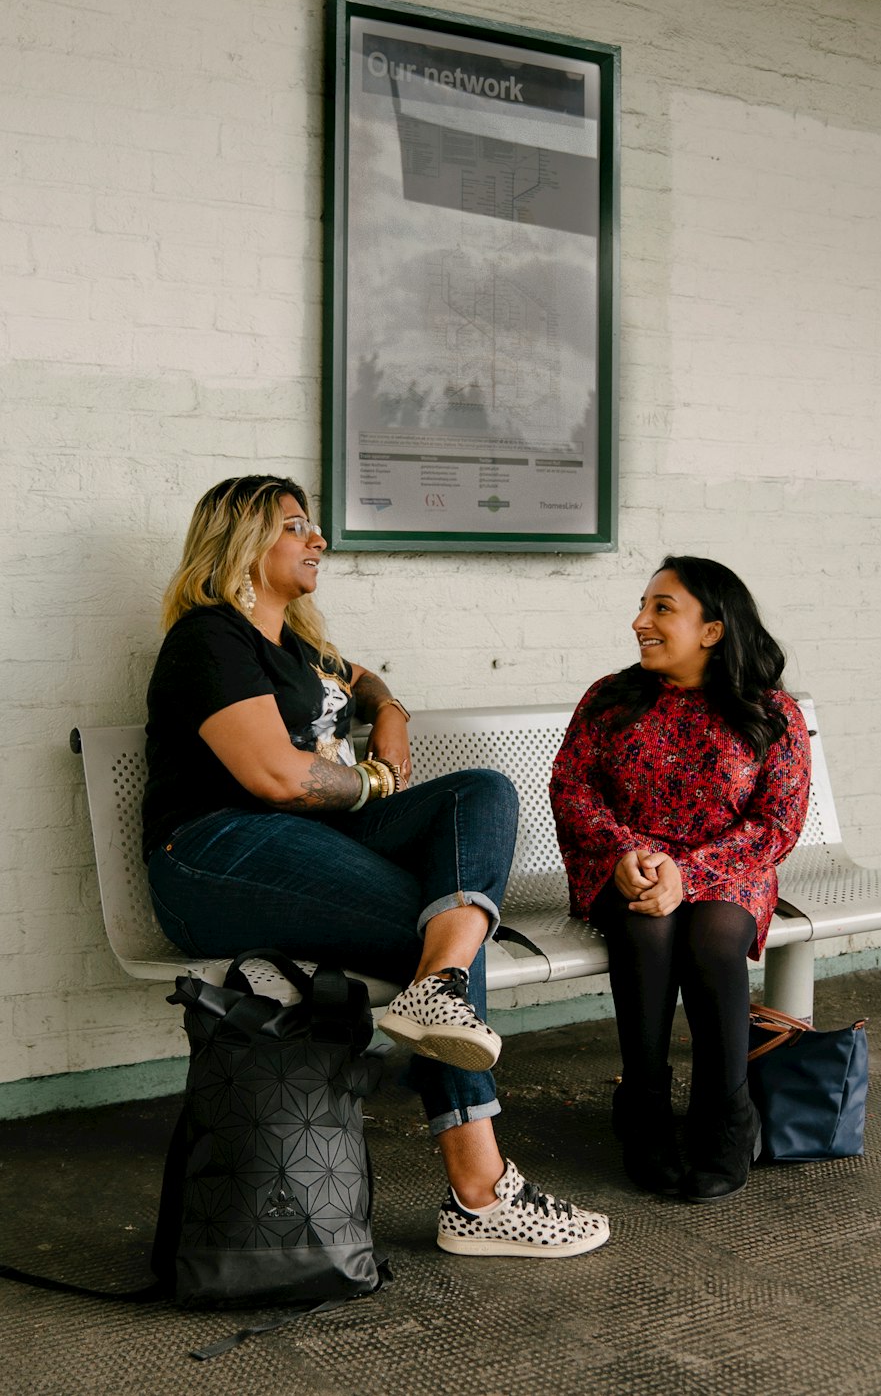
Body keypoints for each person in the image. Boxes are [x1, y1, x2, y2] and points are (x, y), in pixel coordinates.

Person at [142, 474, 609, 1258]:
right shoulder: (210, 638)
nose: (318, 539)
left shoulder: (302, 645)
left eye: (314, 525)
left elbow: (362, 681)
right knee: (432, 927)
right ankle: (481, 1193)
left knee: (480, 794)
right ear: (244, 544)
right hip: (217, 854)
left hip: (314, 843)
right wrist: (372, 783)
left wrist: (387, 712)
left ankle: (437, 992)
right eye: (296, 526)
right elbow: (278, 779)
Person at [549, 555, 811, 1204]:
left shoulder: (771, 712)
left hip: (729, 868)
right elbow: (571, 788)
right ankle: (643, 1109)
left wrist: (688, 873)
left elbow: (777, 823)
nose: (640, 621)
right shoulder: (611, 697)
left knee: (713, 934)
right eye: (643, 605)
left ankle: (726, 1113)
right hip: (627, 867)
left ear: (714, 631)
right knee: (649, 925)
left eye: (662, 608)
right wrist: (623, 854)